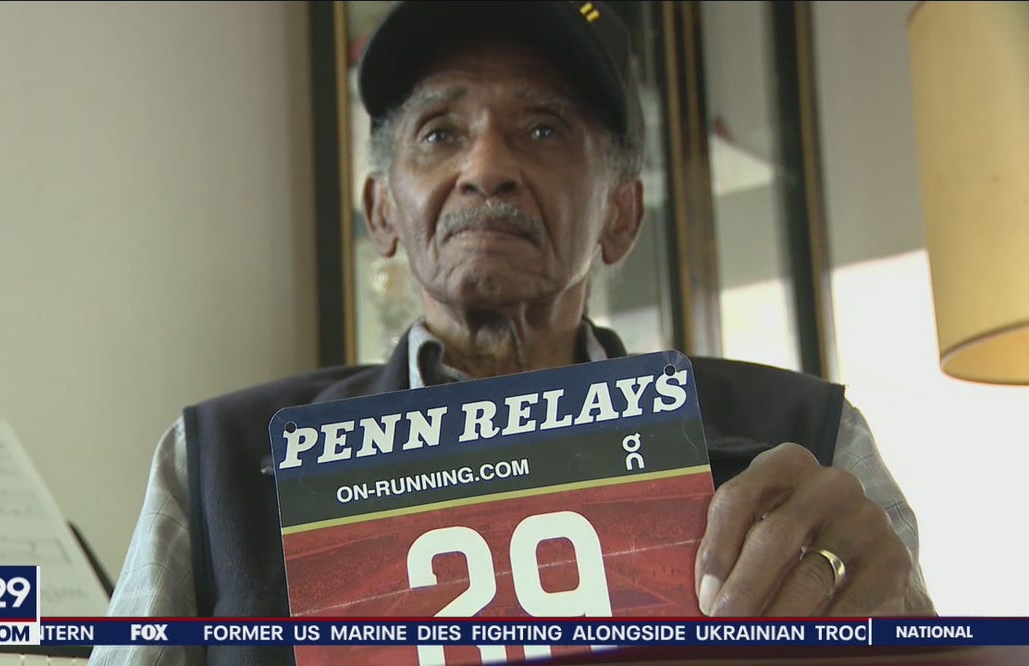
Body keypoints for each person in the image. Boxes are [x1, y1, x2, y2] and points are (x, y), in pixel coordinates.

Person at [91, 2, 934, 664]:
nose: (486, 167)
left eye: (541, 130)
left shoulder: (805, 438)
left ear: (620, 213)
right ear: (382, 210)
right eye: (440, 134)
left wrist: (900, 629)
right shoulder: (215, 464)